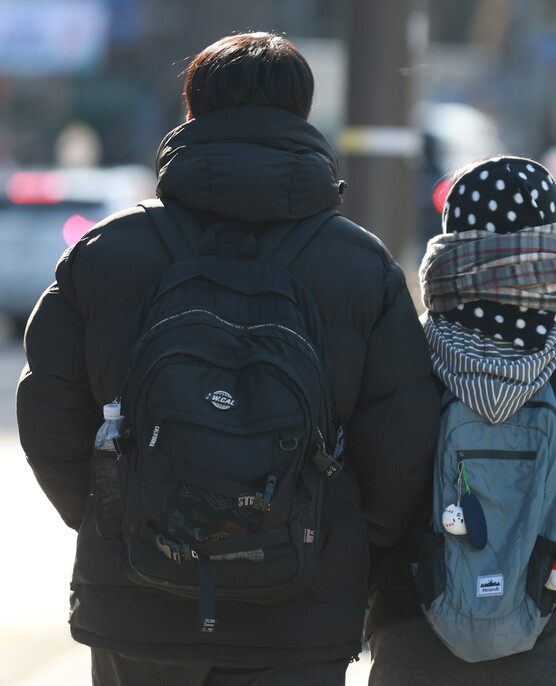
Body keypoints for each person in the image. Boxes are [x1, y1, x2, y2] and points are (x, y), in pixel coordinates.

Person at [15, 32, 439, 685]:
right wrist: (340, 544)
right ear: (303, 113)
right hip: (300, 612)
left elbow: (48, 410)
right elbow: (403, 446)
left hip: (139, 599)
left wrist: (120, 513)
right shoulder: (359, 266)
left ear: (192, 112)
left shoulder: (107, 252)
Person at [364, 155, 556, 685]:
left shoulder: (402, 354)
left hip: (415, 639)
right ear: (554, 242)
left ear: (451, 242)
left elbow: (373, 505)